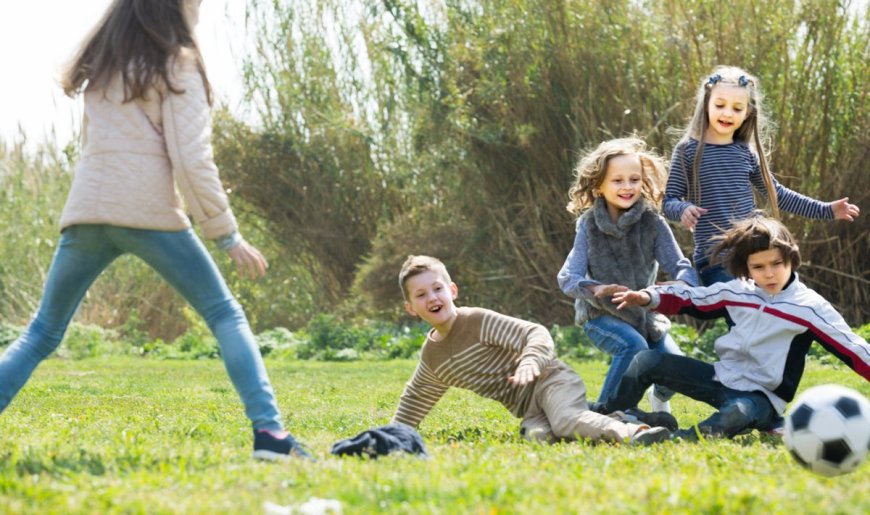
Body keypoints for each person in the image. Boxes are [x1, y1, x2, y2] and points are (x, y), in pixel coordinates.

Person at [0, 0, 308, 460]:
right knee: (226, 314)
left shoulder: (103, 66)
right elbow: (192, 160)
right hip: (146, 213)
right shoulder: (178, 65)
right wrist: (227, 235)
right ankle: (271, 435)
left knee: (42, 331)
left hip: (87, 212)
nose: (201, 10)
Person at [598, 215, 870, 440]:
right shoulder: (738, 291)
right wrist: (648, 297)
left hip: (761, 400)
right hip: (720, 379)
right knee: (646, 360)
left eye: (777, 263)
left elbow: (852, 348)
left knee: (735, 414)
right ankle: (615, 415)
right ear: (747, 268)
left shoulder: (809, 307)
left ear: (791, 258)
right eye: (759, 266)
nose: (770, 273)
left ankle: (677, 438)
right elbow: (694, 299)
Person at [391, 255, 676, 447]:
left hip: (551, 380)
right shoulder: (434, 357)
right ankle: (623, 419)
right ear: (410, 308)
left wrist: (530, 361)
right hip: (529, 408)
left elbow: (535, 333)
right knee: (539, 437)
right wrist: (390, 435)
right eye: (421, 295)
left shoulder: (476, 321)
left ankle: (636, 434)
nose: (432, 298)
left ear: (452, 290)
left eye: (437, 288)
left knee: (565, 420)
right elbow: (415, 398)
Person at [665, 65, 860, 286]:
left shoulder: (745, 152)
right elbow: (669, 201)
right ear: (706, 104)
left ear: (748, 112)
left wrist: (826, 209)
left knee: (784, 300)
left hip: (755, 254)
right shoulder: (688, 150)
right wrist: (683, 209)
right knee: (744, 312)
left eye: (737, 108)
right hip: (715, 260)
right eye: (720, 105)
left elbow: (778, 194)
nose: (727, 113)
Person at [557, 137, 700, 413]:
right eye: (617, 180)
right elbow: (567, 277)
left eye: (634, 179)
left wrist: (684, 282)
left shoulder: (653, 223)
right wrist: (593, 289)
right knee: (633, 345)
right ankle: (605, 413)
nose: (627, 187)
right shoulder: (588, 225)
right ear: (599, 185)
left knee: (677, 367)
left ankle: (657, 398)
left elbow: (680, 264)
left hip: (646, 316)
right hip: (600, 316)